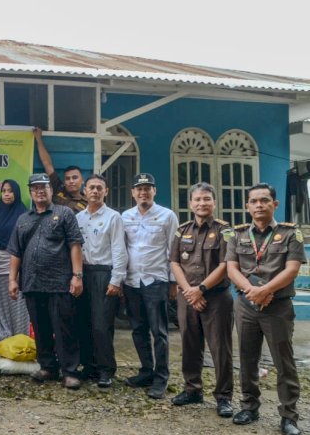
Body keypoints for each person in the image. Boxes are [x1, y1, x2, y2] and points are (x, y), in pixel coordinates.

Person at [226, 182, 306, 435]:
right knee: (247, 357)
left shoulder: (290, 233)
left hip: (278, 306)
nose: (259, 205)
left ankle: (289, 416)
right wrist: (252, 291)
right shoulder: (237, 235)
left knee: (283, 360)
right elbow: (231, 269)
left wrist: (266, 290)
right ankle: (249, 407)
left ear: (275, 204)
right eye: (254, 201)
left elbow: (292, 269)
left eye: (264, 200)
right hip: (246, 304)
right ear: (247, 206)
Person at [7, 173, 84, 389]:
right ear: (30, 193)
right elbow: (16, 252)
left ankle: (69, 371)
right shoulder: (23, 219)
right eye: (35, 188)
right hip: (32, 283)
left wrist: (77, 276)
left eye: (44, 187)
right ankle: (48, 367)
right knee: (40, 328)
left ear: (51, 190)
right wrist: (12, 280)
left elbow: (75, 245)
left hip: (60, 282)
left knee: (64, 328)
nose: (40, 191)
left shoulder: (65, 213)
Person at [169, 182, 234, 417]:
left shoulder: (225, 230)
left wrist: (202, 289)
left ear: (214, 202)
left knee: (220, 348)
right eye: (197, 199)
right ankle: (192, 389)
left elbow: (227, 265)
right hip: (188, 297)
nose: (202, 203)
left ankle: (224, 396)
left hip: (216, 298)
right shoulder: (182, 230)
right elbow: (175, 262)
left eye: (206, 199)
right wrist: (189, 291)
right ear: (190, 204)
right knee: (189, 343)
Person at [122, 172, 178, 399]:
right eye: (139, 188)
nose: (143, 192)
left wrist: (173, 282)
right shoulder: (125, 216)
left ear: (154, 191)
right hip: (132, 281)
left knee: (160, 332)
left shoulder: (167, 216)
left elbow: (173, 251)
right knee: (138, 329)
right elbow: (122, 248)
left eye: (148, 188)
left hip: (156, 280)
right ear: (133, 193)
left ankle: (161, 377)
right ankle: (146, 371)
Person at [75, 174, 128, 388]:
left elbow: (119, 249)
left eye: (99, 188)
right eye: (91, 188)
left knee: (101, 325)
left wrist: (116, 280)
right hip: (82, 273)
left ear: (106, 192)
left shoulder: (114, 217)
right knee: (84, 322)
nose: (95, 191)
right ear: (84, 191)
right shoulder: (79, 218)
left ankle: (106, 370)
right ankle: (88, 366)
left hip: (104, 274)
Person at [0, 179, 30, 341]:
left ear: (16, 193)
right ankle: (3, 338)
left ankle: (20, 339)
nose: (6, 194)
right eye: (4, 191)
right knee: (0, 304)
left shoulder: (23, 214)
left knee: (17, 304)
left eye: (10, 191)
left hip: (16, 266)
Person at [33, 128, 87, 212]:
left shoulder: (88, 202)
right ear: (64, 182)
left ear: (82, 180)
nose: (71, 181)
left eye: (75, 177)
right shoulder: (58, 188)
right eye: (67, 178)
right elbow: (47, 164)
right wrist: (38, 139)